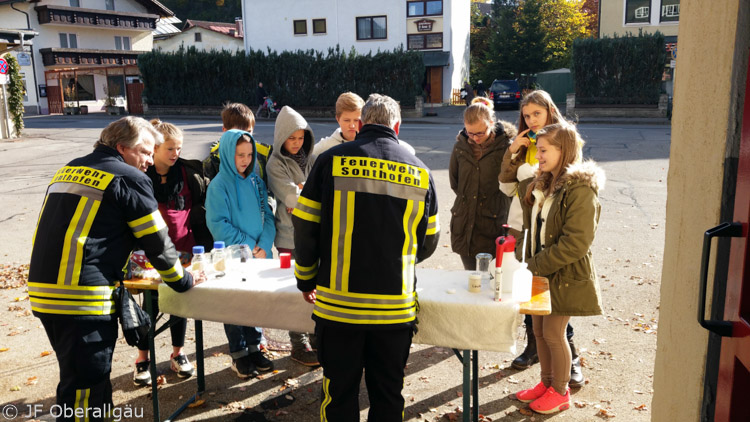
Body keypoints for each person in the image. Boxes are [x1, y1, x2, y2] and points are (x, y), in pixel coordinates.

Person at [28, 116, 201, 422]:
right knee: (84, 391)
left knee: (79, 379)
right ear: (122, 148)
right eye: (145, 152)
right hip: (81, 298)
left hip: (45, 291)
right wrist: (183, 280)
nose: (149, 160)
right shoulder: (127, 177)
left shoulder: (69, 167)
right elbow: (158, 244)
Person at [293, 94, 440, 421]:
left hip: (338, 309)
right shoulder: (421, 172)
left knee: (339, 394)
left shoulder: (330, 161)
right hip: (394, 311)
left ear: (359, 124)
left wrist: (305, 278)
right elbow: (428, 243)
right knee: (388, 394)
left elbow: (304, 227)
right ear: (397, 127)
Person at [513, 123, 604, 414]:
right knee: (538, 331)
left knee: (554, 333)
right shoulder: (543, 183)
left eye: (543, 150)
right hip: (539, 272)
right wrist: (521, 253)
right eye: (536, 149)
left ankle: (561, 391)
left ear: (563, 150)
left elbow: (576, 243)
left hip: (563, 274)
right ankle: (547, 383)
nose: (537, 155)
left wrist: (534, 264)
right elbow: (533, 228)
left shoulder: (580, 189)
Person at [500, 91, 583, 388]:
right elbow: (505, 186)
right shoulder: (523, 145)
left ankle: (570, 359)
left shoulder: (563, 141)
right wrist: (512, 152)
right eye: (526, 115)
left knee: (554, 303)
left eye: (537, 113)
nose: (531, 120)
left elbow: (570, 192)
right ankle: (535, 352)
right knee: (529, 296)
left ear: (550, 111)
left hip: (549, 231)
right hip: (523, 226)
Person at [131, 119, 213, 386]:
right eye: (170, 148)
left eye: (178, 148)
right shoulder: (141, 175)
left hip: (185, 251)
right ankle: (143, 359)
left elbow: (199, 209)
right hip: (150, 255)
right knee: (150, 308)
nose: (175, 153)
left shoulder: (189, 173)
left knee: (180, 305)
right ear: (154, 149)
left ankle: (178, 353)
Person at [205, 129, 276, 379]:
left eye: (249, 154)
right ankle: (238, 354)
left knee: (253, 303)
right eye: (239, 155)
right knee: (234, 306)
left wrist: (265, 244)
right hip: (233, 257)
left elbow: (267, 214)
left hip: (257, 256)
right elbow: (218, 224)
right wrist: (248, 244)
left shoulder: (256, 181)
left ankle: (255, 347)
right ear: (227, 154)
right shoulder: (218, 186)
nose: (246, 160)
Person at [266, 106, 319, 366]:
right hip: (288, 238)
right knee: (293, 291)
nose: (297, 143)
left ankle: (315, 338)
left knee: (314, 290)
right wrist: (301, 195)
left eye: (301, 138)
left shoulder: (310, 159)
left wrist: (302, 192)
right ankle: (298, 345)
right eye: (292, 138)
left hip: (313, 235)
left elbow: (309, 197)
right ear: (281, 138)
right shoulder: (275, 164)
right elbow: (291, 199)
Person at [449, 97, 516, 270]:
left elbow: (512, 185)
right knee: (470, 277)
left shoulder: (506, 147)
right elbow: (455, 182)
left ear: (491, 123)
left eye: (480, 133)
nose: (475, 138)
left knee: (492, 280)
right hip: (465, 223)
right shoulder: (460, 147)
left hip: (493, 224)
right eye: (470, 133)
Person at [315, 92, 416, 156]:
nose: (352, 125)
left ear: (362, 120)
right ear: (337, 119)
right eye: (347, 120)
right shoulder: (324, 147)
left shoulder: (402, 148)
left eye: (356, 120)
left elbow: (408, 150)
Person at [202, 103, 273, 188]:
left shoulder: (264, 153)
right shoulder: (214, 157)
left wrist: (268, 200)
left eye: (248, 132)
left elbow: (272, 187)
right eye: (237, 132)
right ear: (225, 130)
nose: (244, 137)